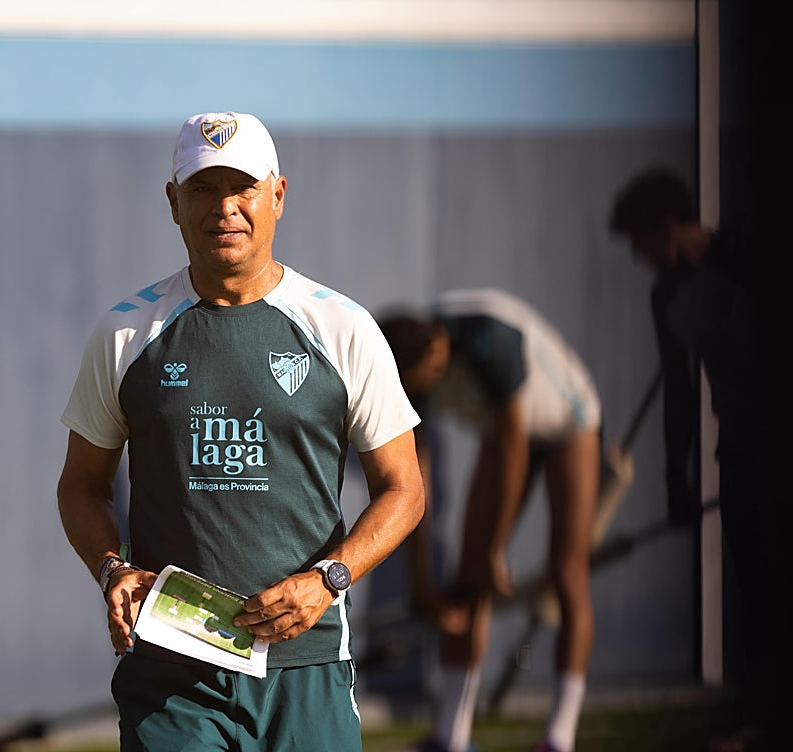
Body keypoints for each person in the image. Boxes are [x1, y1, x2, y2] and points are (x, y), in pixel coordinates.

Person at [56, 111, 426, 751]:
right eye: (202, 188)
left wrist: (329, 581)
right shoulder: (125, 333)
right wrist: (111, 569)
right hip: (171, 671)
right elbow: (80, 487)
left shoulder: (344, 329)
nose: (224, 207)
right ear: (173, 202)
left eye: (243, 187)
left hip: (307, 663)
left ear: (277, 195)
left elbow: (405, 489)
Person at [378, 288, 602, 752]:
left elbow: (515, 444)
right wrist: (422, 584)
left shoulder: (487, 338)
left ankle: (560, 737)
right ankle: (451, 737)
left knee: (568, 574)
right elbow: (414, 481)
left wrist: (494, 549)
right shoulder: (410, 371)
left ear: (436, 354)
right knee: (468, 578)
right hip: (502, 439)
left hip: (568, 426)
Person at [609, 166, 769, 751]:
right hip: (741, 449)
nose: (638, 254)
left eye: (641, 239)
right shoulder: (667, 297)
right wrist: (676, 477)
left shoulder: (748, 252)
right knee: (757, 589)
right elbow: (679, 391)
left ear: (669, 226)